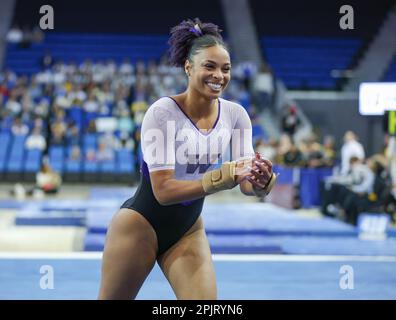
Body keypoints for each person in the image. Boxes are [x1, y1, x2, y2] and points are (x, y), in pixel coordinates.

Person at [98, 18, 277, 300]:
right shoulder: (162, 112)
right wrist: (221, 177)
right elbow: (164, 191)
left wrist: (261, 182)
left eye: (225, 68)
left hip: (188, 229)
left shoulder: (236, 115)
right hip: (140, 225)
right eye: (210, 66)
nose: (219, 75)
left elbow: (245, 185)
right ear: (188, 67)